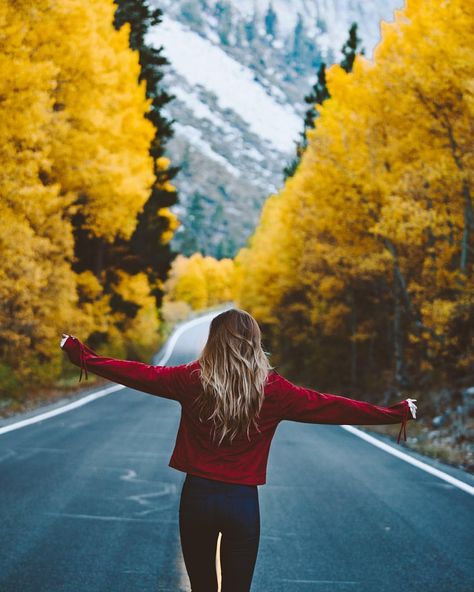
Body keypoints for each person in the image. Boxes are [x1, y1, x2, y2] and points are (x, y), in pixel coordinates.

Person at [60, 308, 417, 592]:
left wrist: (83, 356)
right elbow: (331, 406)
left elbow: (138, 373)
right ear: (254, 342)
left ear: (213, 341)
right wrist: (392, 412)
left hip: (197, 498)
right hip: (242, 505)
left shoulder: (191, 379)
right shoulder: (274, 390)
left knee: (202, 587)